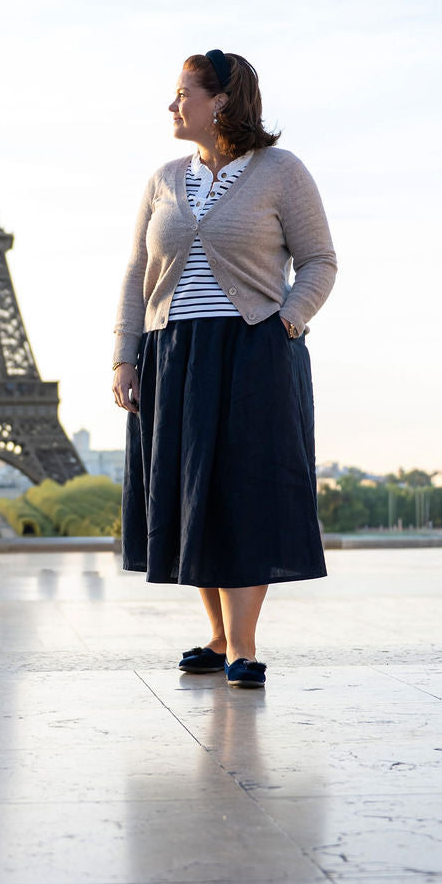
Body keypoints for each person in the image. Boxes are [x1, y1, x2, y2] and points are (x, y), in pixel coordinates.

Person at [112, 50, 337, 689]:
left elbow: (320, 259)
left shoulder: (280, 172)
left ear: (220, 101)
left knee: (245, 493)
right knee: (192, 498)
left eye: (182, 93)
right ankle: (217, 635)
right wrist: (126, 354)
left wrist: (285, 323)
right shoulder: (162, 179)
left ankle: (243, 645)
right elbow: (137, 272)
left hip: (253, 351)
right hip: (173, 353)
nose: (172, 105)